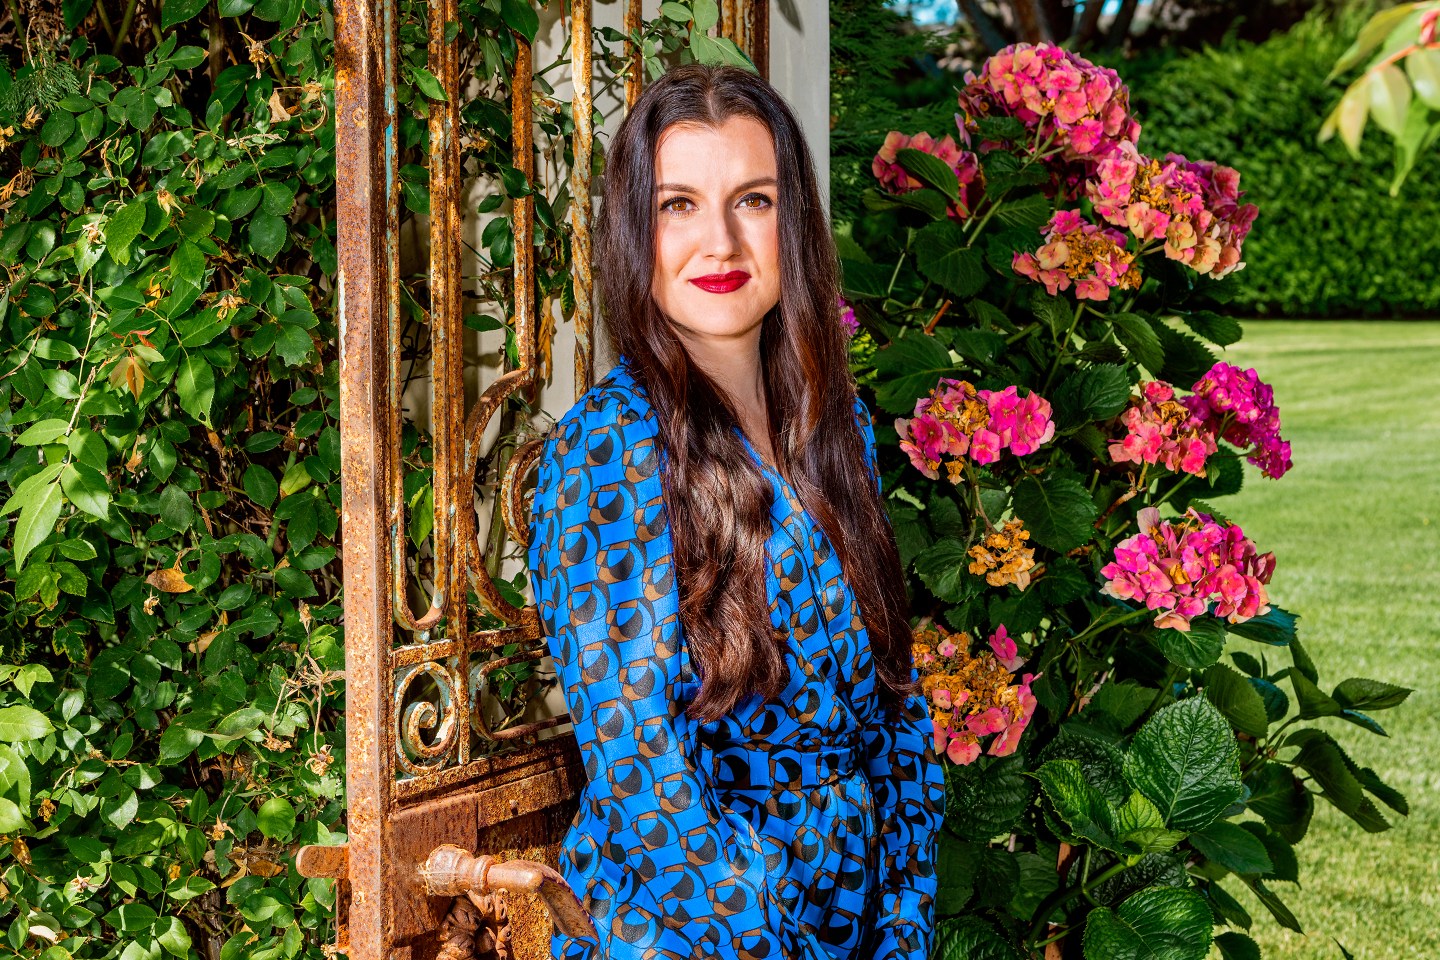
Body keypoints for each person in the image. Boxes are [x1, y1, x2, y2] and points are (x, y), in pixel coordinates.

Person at [527, 63, 945, 960]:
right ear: (635, 229)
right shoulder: (610, 449)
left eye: (753, 200)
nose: (719, 241)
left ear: (793, 225)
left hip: (851, 918)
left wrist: (904, 921)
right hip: (689, 930)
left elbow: (894, 708)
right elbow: (641, 770)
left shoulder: (835, 427)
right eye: (678, 205)